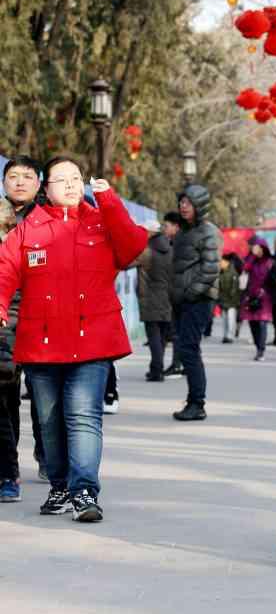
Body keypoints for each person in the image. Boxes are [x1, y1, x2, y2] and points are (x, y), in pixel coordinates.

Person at [0, 156, 147, 521]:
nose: (70, 184)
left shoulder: (101, 221)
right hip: (42, 343)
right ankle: (61, 487)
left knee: (83, 417)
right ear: (46, 189)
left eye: (76, 178)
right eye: (61, 179)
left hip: (92, 341)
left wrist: (109, 200)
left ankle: (84, 491)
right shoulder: (28, 230)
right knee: (49, 423)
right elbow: (5, 269)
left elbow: (132, 246)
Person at [0, 156, 48, 504]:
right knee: (5, 392)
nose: (19, 182)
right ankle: (7, 471)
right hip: (6, 313)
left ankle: (48, 455)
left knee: (44, 393)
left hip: (44, 314)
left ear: (39, 183)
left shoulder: (49, 218)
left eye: (27, 176)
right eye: (13, 176)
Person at [170, 184, 220, 421]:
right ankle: (193, 400)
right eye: (181, 202)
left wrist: (191, 293)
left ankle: (197, 403)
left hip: (198, 300)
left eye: (188, 202)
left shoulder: (208, 232)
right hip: (182, 300)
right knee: (186, 349)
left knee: (189, 349)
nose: (183, 206)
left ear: (199, 205)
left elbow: (210, 270)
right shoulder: (182, 232)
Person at [135, 218, 173, 381]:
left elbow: (125, 262)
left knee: (154, 337)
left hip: (150, 299)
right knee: (162, 337)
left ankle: (157, 371)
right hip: (168, 298)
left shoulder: (147, 251)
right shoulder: (171, 250)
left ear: (150, 232)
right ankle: (156, 368)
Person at [239, 237, 273, 362]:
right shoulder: (251, 260)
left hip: (264, 297)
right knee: (252, 324)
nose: (256, 250)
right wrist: (252, 256)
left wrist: (266, 290)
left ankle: (261, 350)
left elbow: (272, 278)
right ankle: (258, 347)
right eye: (255, 247)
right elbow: (245, 269)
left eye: (259, 248)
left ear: (264, 248)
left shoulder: (269, 262)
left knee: (262, 323)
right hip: (251, 296)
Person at [161, 211, 184, 377]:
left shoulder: (180, 244)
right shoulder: (174, 243)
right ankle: (182, 364)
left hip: (180, 294)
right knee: (180, 332)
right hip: (176, 292)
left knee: (179, 332)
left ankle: (178, 364)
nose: (164, 229)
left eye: (166, 226)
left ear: (176, 227)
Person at [218, 253, 241, 343]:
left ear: (227, 262)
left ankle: (230, 336)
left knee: (231, 319)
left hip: (232, 301)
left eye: (222, 262)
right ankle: (225, 335)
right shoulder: (221, 273)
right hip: (223, 300)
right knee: (224, 319)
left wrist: (234, 300)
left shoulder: (233, 273)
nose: (220, 263)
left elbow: (235, 288)